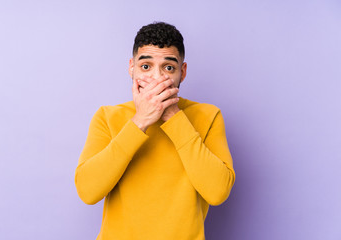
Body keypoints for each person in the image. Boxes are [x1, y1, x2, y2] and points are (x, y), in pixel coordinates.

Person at [75, 22, 235, 240]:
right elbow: (88, 191)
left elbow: (217, 192)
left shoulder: (208, 116)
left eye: (168, 68)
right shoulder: (107, 116)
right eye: (146, 66)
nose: (157, 78)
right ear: (132, 68)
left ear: (183, 72)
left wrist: (173, 117)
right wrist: (140, 120)